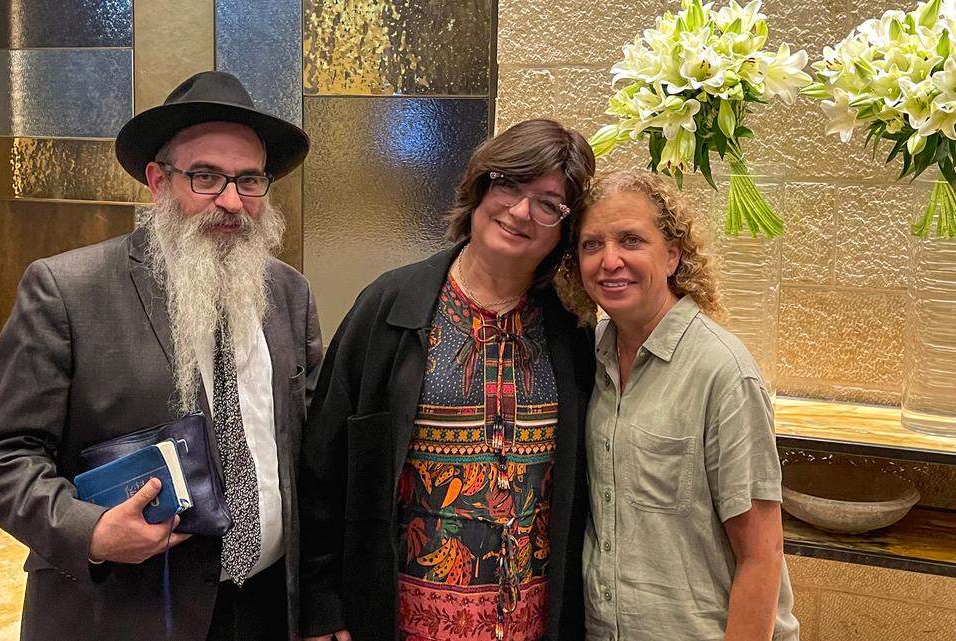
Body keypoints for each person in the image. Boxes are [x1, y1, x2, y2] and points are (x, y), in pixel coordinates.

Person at [0, 71, 322, 641]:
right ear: (158, 181)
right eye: (205, 177)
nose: (231, 201)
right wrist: (92, 531)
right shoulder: (67, 291)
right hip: (126, 612)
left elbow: (308, 448)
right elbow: (1, 458)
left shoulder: (288, 292)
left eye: (250, 180)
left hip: (266, 607)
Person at [298, 119, 597, 641]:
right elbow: (323, 463)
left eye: (548, 204)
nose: (520, 212)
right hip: (402, 622)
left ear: (564, 228)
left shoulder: (571, 330)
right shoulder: (389, 308)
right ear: (480, 185)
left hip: (530, 624)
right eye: (509, 184)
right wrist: (321, 606)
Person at [555, 170, 798, 640]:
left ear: (672, 255)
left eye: (631, 240)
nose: (610, 260)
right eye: (592, 245)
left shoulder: (722, 372)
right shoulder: (593, 355)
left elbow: (762, 556)